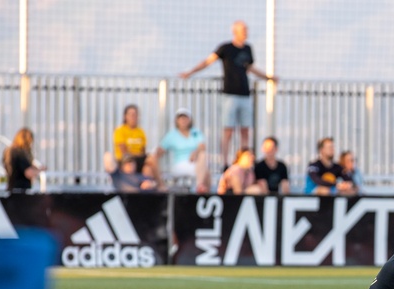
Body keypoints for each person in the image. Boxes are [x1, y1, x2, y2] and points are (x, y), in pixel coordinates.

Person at [178, 20, 276, 170]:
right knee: (228, 130)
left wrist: (268, 78)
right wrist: (190, 72)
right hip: (229, 94)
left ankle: (244, 160)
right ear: (235, 31)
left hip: (245, 94)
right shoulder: (225, 48)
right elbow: (207, 61)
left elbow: (250, 68)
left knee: (245, 130)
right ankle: (224, 162)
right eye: (243, 30)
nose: (246, 33)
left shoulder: (248, 49)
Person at [155, 108, 211, 193]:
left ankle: (200, 188)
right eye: (181, 118)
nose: (183, 120)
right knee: (205, 172)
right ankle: (201, 189)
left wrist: (195, 153)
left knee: (203, 158)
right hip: (180, 164)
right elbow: (159, 151)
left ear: (190, 119)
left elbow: (202, 146)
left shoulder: (195, 132)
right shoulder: (172, 135)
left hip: (195, 163)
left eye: (185, 118)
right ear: (177, 120)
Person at [113, 104, 158, 178]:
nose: (133, 117)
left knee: (149, 167)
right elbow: (124, 152)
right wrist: (139, 155)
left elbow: (143, 151)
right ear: (125, 116)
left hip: (138, 160)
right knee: (130, 164)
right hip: (125, 160)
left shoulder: (141, 132)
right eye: (130, 114)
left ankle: (148, 186)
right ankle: (160, 184)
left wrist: (143, 157)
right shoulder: (120, 130)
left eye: (135, 114)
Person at [3, 127, 46, 191]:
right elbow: (28, 173)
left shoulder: (9, 152)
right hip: (21, 189)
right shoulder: (19, 153)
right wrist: (40, 170)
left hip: (11, 187)